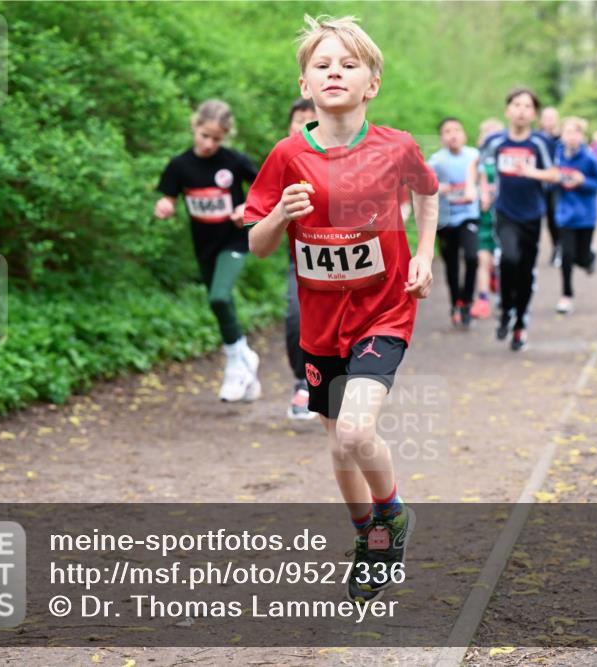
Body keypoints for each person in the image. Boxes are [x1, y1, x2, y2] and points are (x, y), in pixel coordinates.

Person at [245, 14, 439, 603]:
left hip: (383, 311)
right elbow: (256, 243)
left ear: (370, 84)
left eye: (348, 64)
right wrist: (281, 212)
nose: (334, 73)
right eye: (322, 65)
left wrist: (423, 256)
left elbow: (427, 195)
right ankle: (368, 537)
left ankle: (394, 514)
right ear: (305, 85)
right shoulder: (287, 155)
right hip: (319, 323)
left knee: (357, 431)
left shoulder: (397, 147)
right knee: (336, 443)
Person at [155, 99, 261, 402]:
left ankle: (234, 364)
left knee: (219, 296)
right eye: (205, 135)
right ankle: (244, 358)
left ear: (225, 136)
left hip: (235, 240)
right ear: (195, 127)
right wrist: (164, 206)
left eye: (217, 138)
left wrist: (247, 206)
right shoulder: (180, 165)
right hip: (204, 246)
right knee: (217, 304)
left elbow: (265, 186)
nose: (209, 143)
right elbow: (168, 198)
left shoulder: (234, 161)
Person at [480, 86, 557, 351]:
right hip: (505, 211)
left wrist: (532, 172)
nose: (522, 111)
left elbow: (554, 174)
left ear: (534, 114)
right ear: (507, 110)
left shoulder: (539, 143)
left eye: (527, 106)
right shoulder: (495, 141)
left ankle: (520, 321)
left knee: (525, 271)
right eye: (517, 105)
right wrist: (482, 191)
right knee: (509, 259)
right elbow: (479, 165)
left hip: (533, 215)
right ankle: (506, 311)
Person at [284, 97, 318, 419]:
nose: (306, 123)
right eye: (299, 118)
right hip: (302, 259)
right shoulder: (283, 162)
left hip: (349, 261)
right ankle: (303, 381)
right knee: (296, 318)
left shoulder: (345, 157)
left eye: (313, 117)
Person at [428, 117, 480, 328]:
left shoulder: (474, 156)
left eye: (457, 130)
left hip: (468, 216)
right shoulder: (436, 161)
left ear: (464, 134)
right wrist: (441, 188)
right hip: (446, 220)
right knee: (451, 267)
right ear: (442, 138)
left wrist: (481, 193)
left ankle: (466, 301)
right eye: (448, 131)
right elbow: (423, 185)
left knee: (472, 258)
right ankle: (455, 304)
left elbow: (484, 179)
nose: (453, 135)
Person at [552, 116, 597, 315]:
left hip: (586, 216)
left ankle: (590, 258)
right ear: (562, 135)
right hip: (565, 215)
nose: (571, 136)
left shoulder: (590, 158)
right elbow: (550, 182)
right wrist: (555, 179)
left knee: (581, 258)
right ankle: (566, 295)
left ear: (582, 136)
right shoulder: (556, 156)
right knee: (566, 256)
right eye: (567, 132)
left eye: (575, 132)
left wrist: (582, 181)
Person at [470, 118, 505, 320]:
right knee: (482, 259)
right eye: (486, 134)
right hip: (482, 218)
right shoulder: (476, 161)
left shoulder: (505, 161)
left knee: (502, 261)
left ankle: (503, 293)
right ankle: (482, 299)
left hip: (503, 219)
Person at [538, 106, 563, 268]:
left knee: (556, 216)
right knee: (546, 219)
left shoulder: (563, 139)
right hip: (540, 185)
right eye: (546, 118)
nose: (549, 121)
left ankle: (560, 248)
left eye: (552, 118)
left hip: (558, 186)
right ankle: (555, 247)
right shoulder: (536, 139)